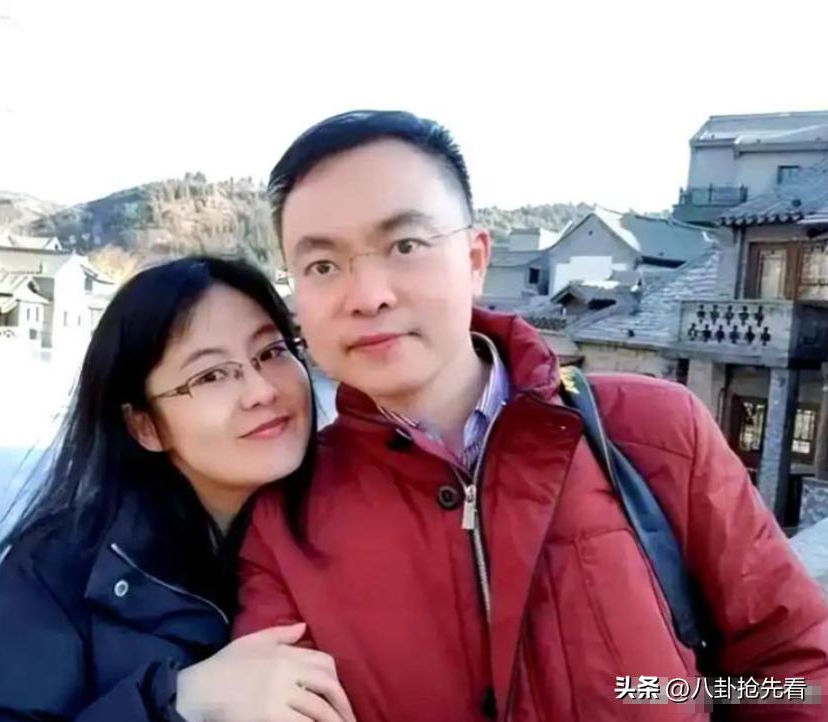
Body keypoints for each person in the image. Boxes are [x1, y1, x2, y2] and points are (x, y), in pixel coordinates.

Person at [233, 110, 828, 721]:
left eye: (405, 246)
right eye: (323, 266)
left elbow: (793, 671)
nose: (368, 296)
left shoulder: (652, 435)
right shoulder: (285, 524)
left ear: (475, 259)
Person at [0, 256, 356, 722]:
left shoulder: (367, 519)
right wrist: (179, 701)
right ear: (144, 426)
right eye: (211, 375)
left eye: (272, 352)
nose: (262, 390)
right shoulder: (63, 567)